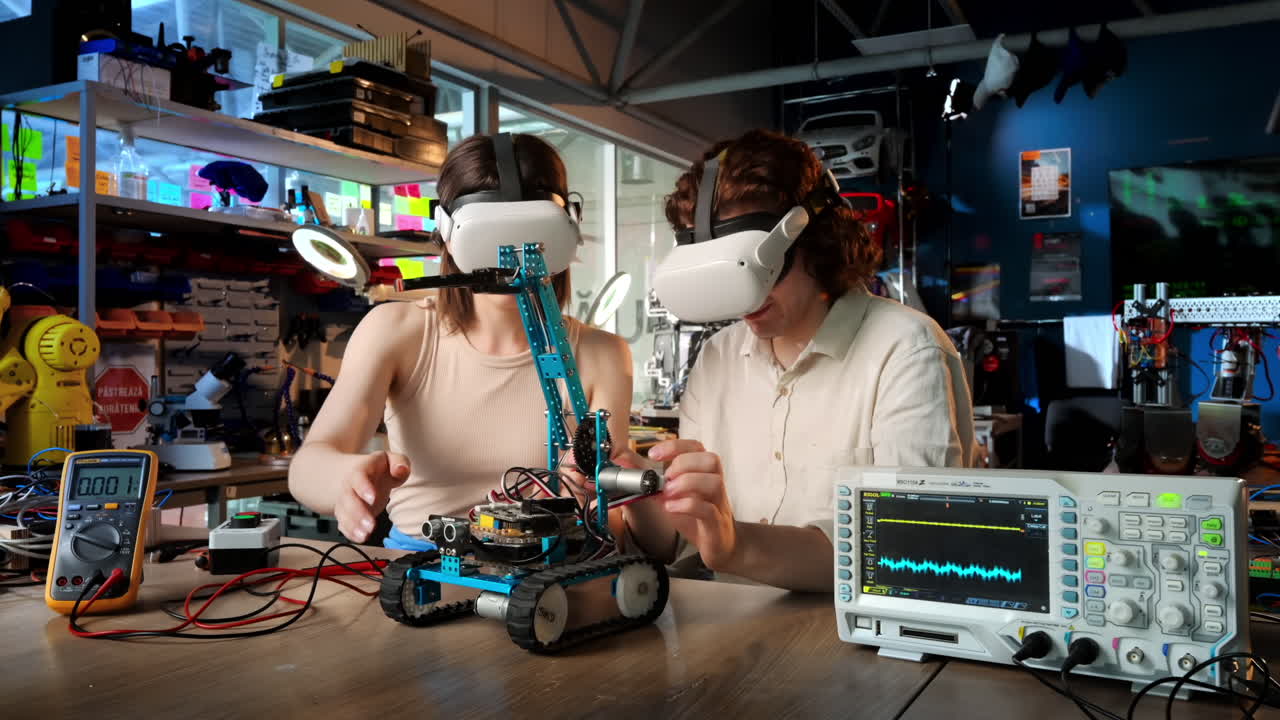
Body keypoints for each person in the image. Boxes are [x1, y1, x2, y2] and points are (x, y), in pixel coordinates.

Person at [622, 129, 976, 591]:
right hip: (727, 634)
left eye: (764, 268)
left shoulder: (904, 348)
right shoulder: (718, 357)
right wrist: (632, 492)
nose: (749, 295)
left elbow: (907, 548)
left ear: (815, 238)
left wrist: (738, 547)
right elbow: (682, 541)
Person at [288, 134, 634, 546]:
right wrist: (344, 480)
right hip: (423, 561)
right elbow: (309, 464)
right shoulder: (396, 331)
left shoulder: (604, 354)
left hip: (550, 563)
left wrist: (602, 503)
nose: (511, 252)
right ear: (445, 231)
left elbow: (613, 509)